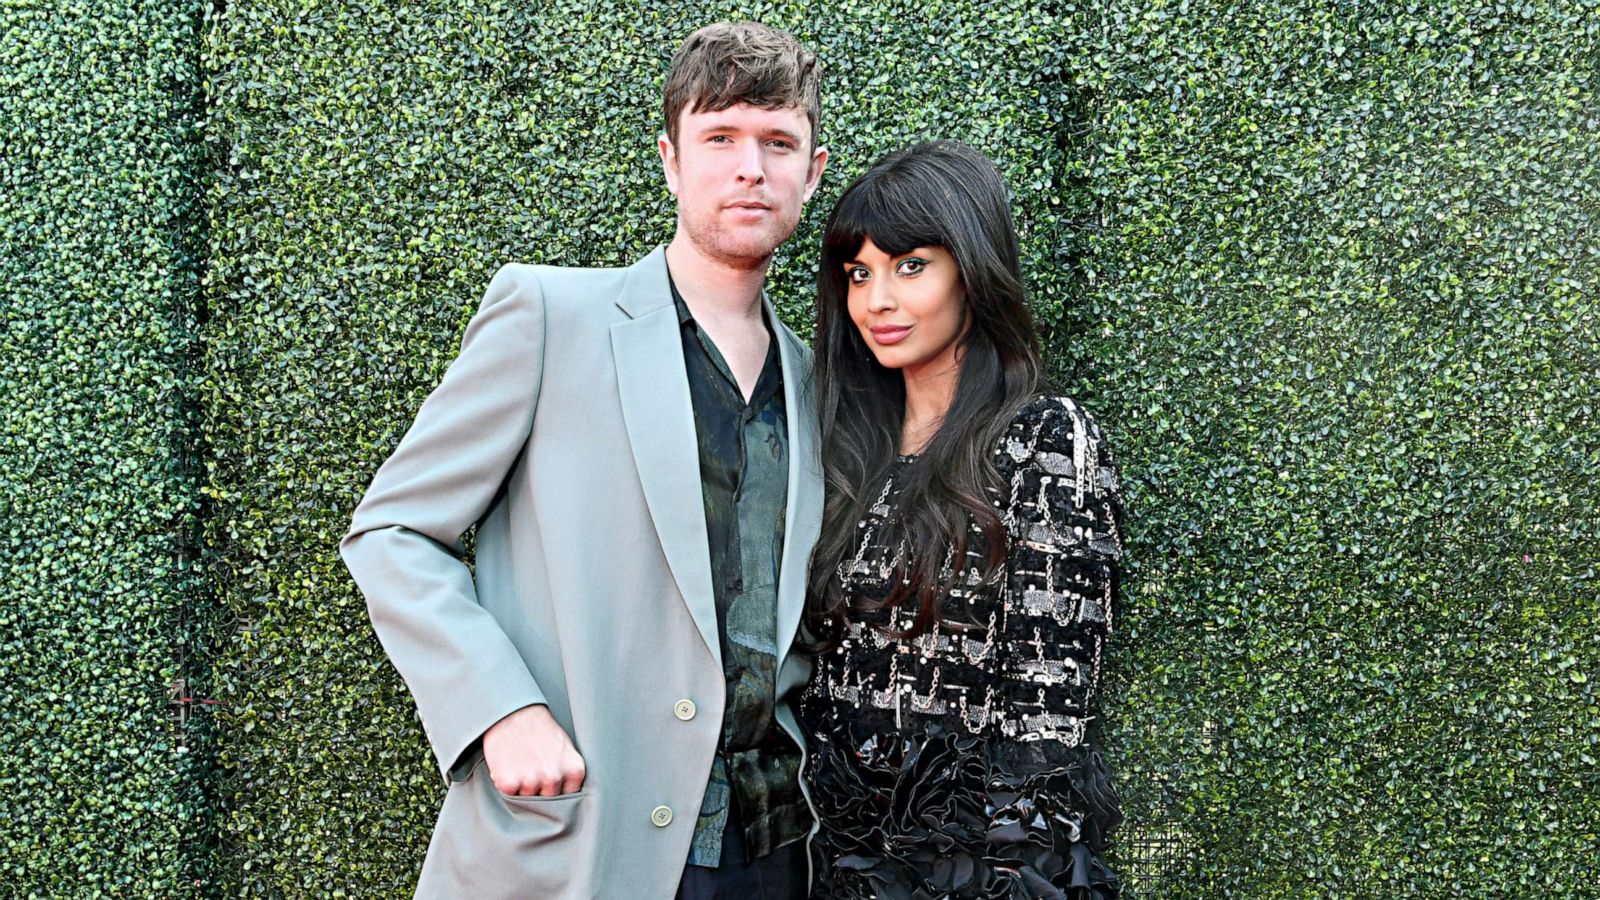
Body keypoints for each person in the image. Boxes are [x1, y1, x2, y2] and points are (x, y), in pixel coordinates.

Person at [339, 22, 829, 899]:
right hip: (582, 841)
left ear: (812, 170)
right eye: (720, 138)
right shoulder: (547, 316)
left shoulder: (817, 380)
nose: (750, 166)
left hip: (774, 851)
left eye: (777, 142)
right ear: (671, 160)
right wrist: (500, 708)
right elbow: (392, 530)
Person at [799, 140, 1127, 898]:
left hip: (970, 866)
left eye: (911, 265)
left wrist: (1011, 876)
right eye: (858, 273)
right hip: (829, 857)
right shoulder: (846, 454)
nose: (876, 300)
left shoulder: (1042, 441)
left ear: (972, 272)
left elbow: (1048, 708)